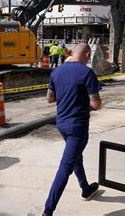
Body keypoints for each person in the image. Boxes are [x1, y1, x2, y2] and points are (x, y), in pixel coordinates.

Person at [43, 43, 102, 216]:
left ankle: (86, 188)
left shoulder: (57, 71)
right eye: (89, 57)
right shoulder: (87, 73)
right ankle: (48, 210)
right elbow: (96, 104)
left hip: (61, 124)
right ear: (87, 55)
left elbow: (50, 99)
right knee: (65, 166)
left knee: (76, 156)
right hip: (78, 127)